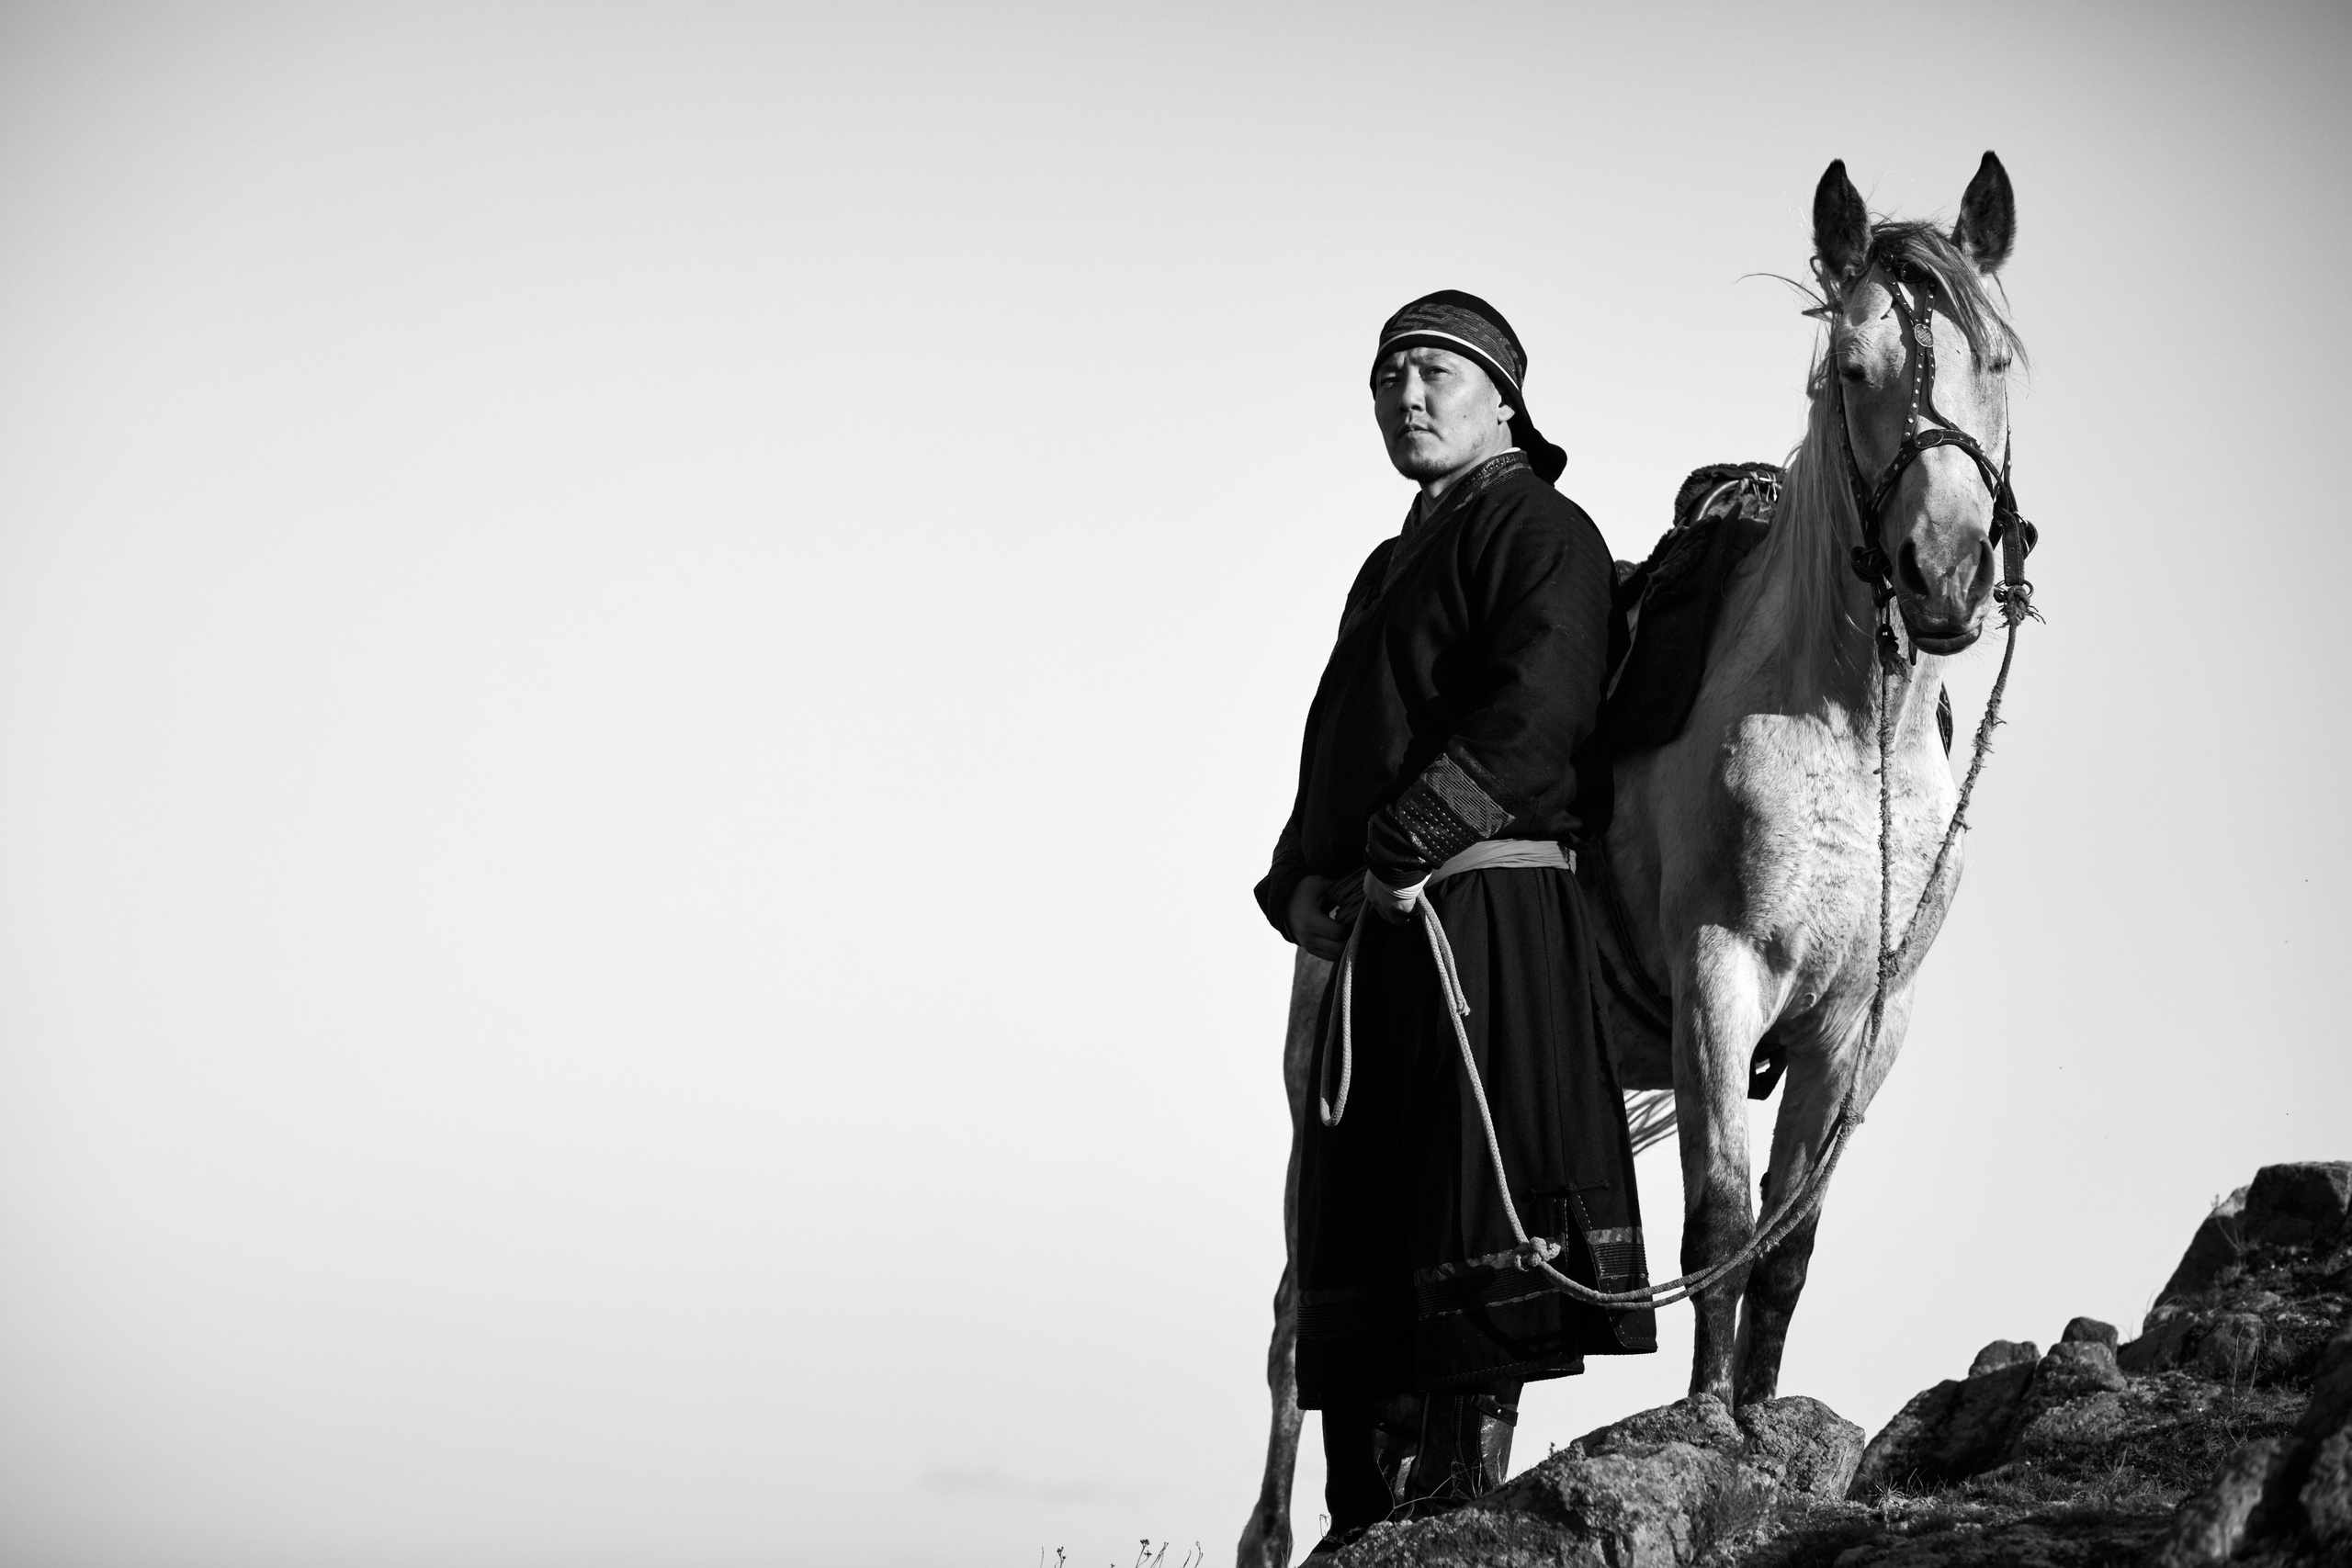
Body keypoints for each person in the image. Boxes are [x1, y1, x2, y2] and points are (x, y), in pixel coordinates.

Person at [1253, 290, 1655, 1553]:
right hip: (1377, 930)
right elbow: (1344, 743)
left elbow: (1538, 722)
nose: (1406, 397)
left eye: (1433, 373)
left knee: (1467, 1237)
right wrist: (1303, 877)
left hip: (1481, 915)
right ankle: (1366, 1531)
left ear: (1506, 398)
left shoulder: (1544, 530)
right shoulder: (1390, 561)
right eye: (1388, 380)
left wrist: (1400, 846)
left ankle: (1451, 1526)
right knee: (1364, 1249)